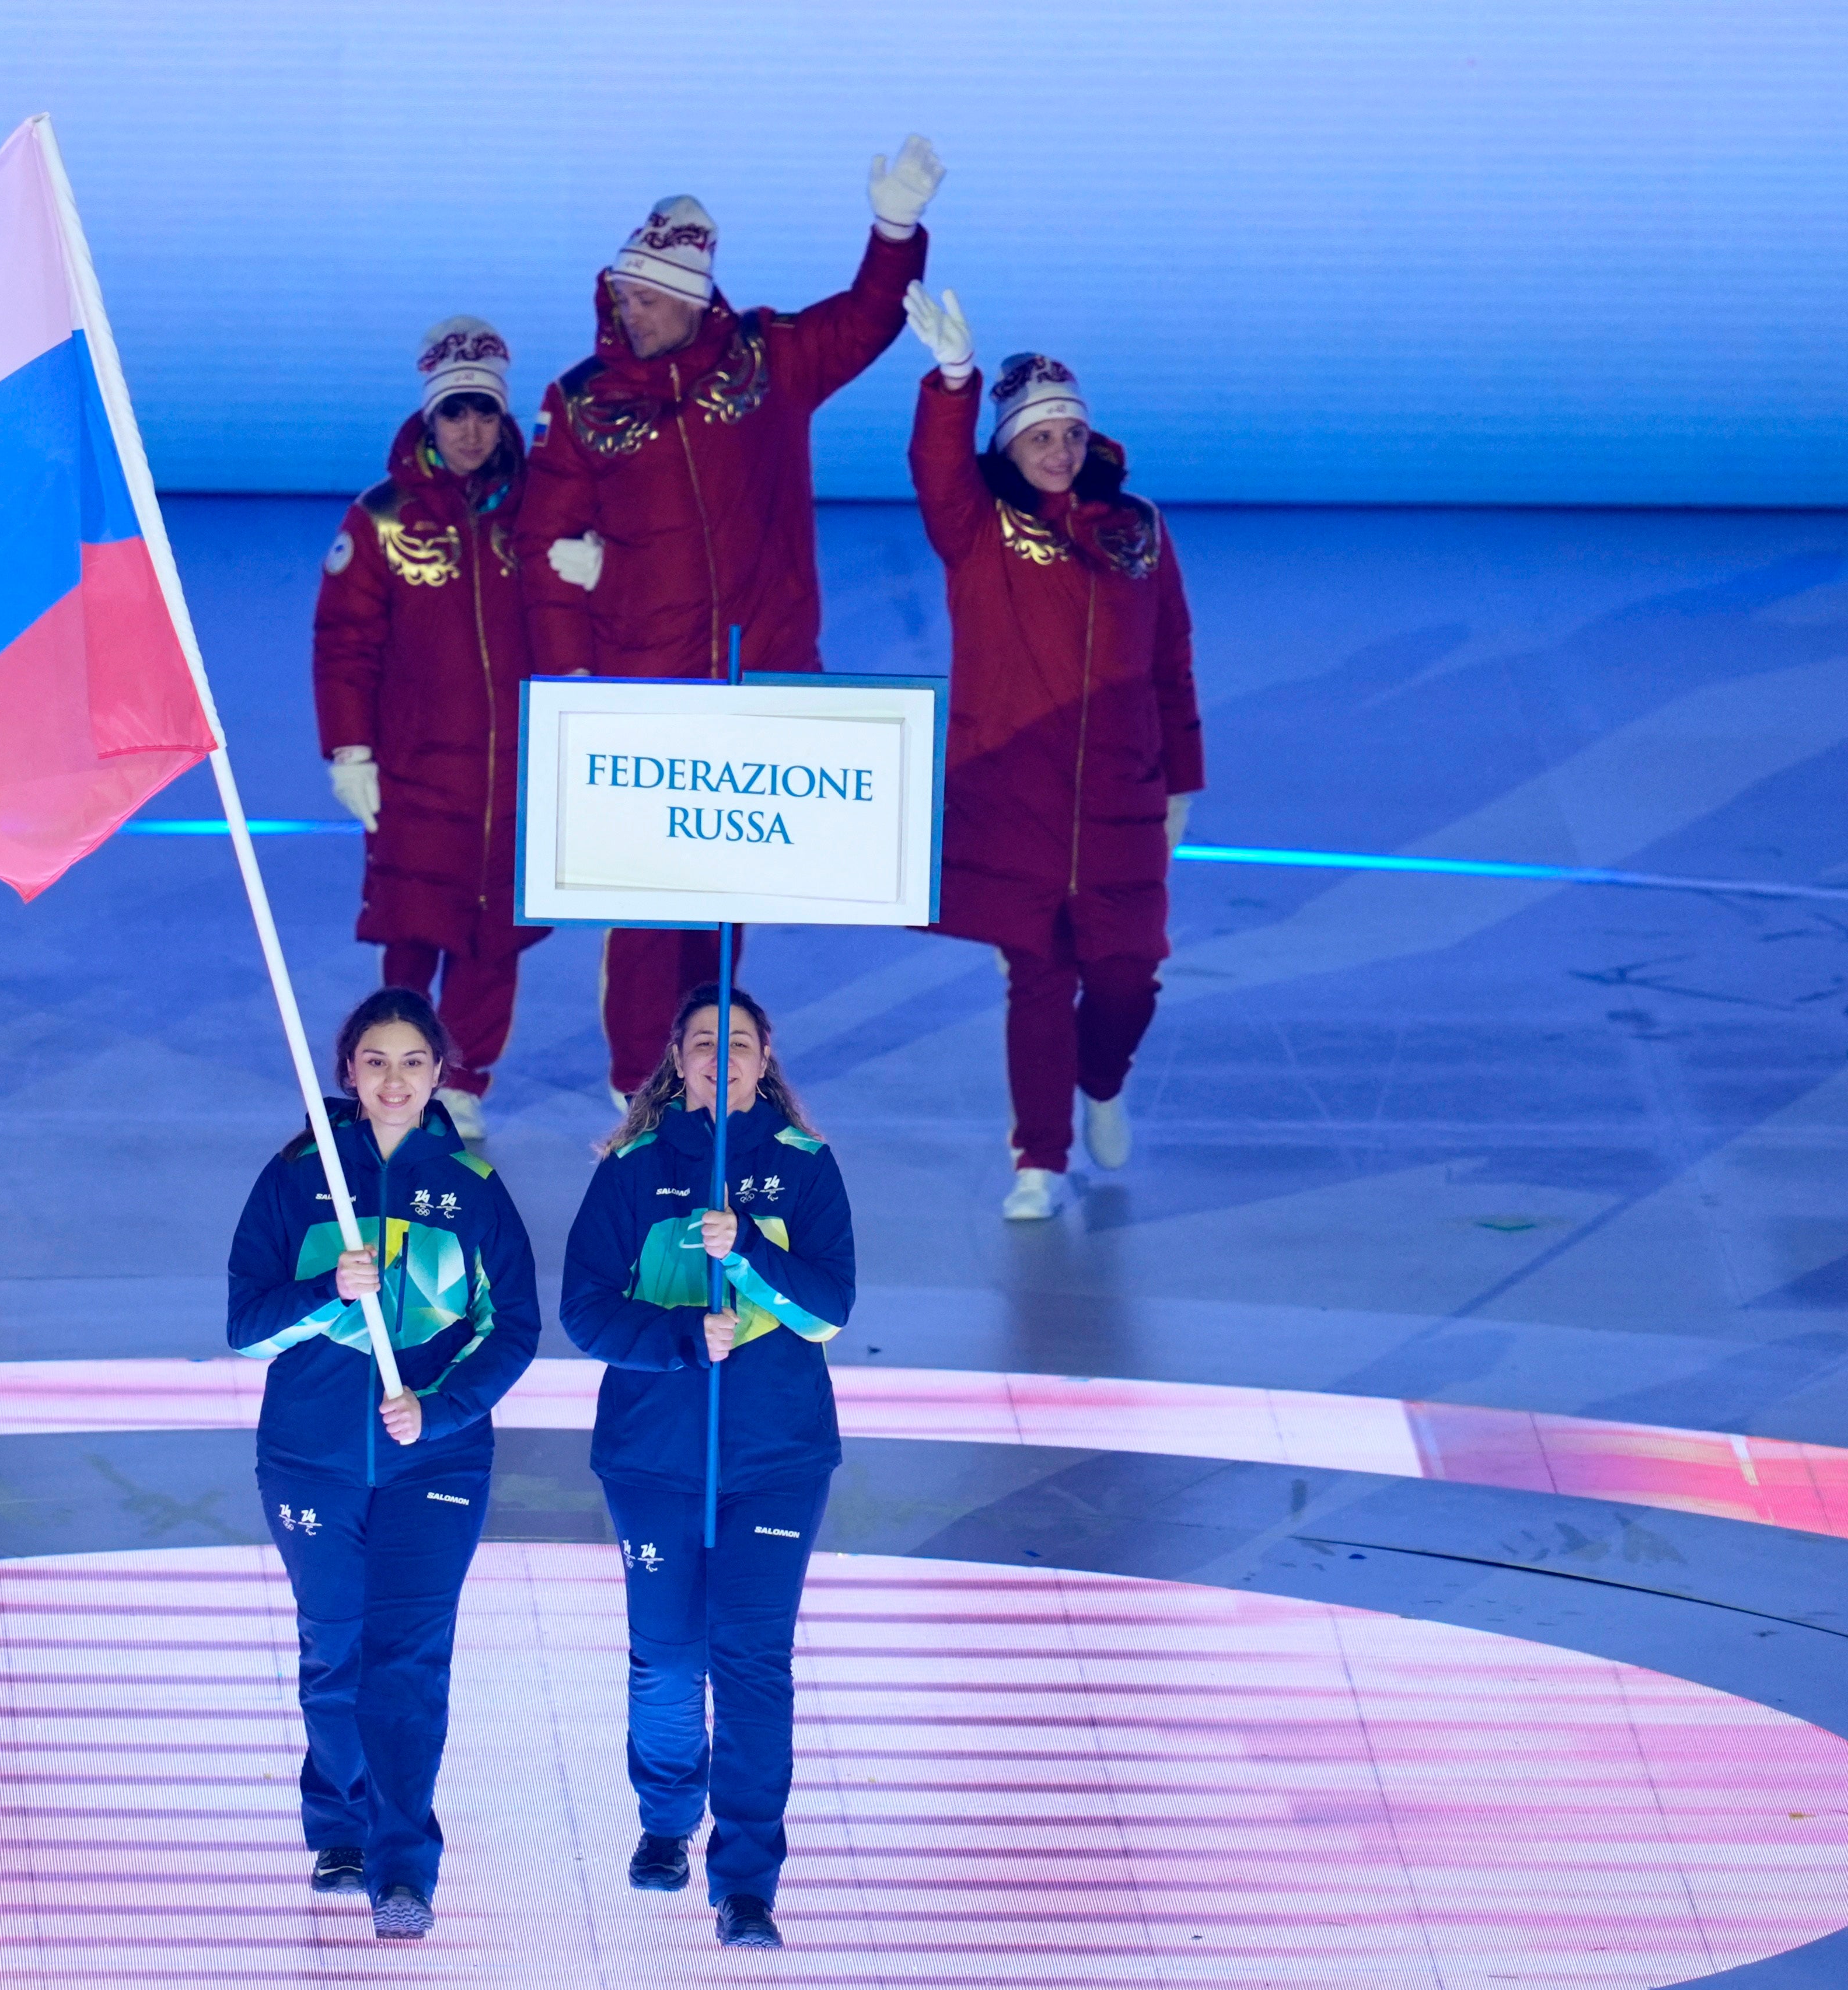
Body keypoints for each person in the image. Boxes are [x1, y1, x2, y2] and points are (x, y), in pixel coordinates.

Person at [518, 140, 945, 1104]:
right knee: (641, 908)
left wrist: (892, 233)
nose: (636, 311)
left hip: (760, 680)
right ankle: (637, 1087)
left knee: (720, 905)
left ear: (697, 298)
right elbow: (543, 544)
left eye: (653, 297)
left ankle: (705, 1077)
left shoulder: (765, 362)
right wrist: (569, 676)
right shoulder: (581, 402)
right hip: (640, 687)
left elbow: (865, 320)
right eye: (626, 295)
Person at [226, 987, 543, 1940]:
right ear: (347, 1072)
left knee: (405, 1660)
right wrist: (330, 1287)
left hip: (434, 1462)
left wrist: (438, 1408)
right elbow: (244, 1329)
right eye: (375, 1060)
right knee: (336, 1651)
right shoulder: (295, 1175)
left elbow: (515, 1329)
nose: (394, 1079)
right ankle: (339, 1823)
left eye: (413, 1061)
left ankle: (403, 1863)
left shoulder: (474, 1185)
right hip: (310, 1459)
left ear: (440, 1073)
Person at [559, 984, 857, 1950]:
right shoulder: (632, 1169)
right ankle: (664, 1814)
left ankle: (745, 1880)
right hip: (654, 1458)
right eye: (701, 1042)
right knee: (669, 1653)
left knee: (753, 1663)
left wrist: (755, 1257)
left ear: (764, 1056)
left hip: (775, 1459)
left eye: (737, 1042)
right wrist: (688, 1335)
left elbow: (826, 1311)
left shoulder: (805, 1168)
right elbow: (587, 1313)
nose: (719, 1056)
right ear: (676, 1061)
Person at [901, 282, 1206, 1220]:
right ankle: (1038, 1158)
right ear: (1007, 445)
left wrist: (1181, 781)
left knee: (1128, 972)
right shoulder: (978, 530)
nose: (1060, 450)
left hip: (1121, 793)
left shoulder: (1138, 529)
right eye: (1039, 436)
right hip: (1014, 795)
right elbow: (934, 467)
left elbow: (1172, 658)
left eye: (1071, 434)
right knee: (1036, 978)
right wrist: (953, 379)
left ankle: (1103, 1080)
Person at [313, 320, 550, 1144]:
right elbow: (344, 643)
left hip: (517, 773)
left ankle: (466, 1079)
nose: (470, 431)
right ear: (429, 419)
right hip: (416, 773)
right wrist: (349, 747)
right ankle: (394, 1072)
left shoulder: (538, 506)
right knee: (412, 931)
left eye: (484, 413)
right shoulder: (380, 518)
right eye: (455, 414)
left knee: (494, 939)